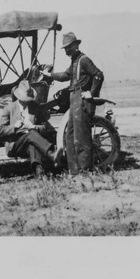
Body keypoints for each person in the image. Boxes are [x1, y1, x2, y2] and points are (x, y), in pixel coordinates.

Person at [42, 32, 104, 175]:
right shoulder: (75, 61)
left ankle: (85, 171)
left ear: (76, 45)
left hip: (81, 99)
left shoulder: (84, 60)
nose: (67, 51)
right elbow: (65, 76)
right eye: (65, 48)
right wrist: (49, 75)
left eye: (69, 47)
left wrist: (92, 94)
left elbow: (98, 75)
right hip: (73, 98)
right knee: (70, 136)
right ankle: (74, 171)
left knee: (81, 137)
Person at [0, 80, 60, 176]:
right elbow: (1, 131)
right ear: (19, 97)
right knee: (31, 135)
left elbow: (46, 127)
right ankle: (50, 154)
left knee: (32, 141)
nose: (26, 102)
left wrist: (34, 126)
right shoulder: (9, 108)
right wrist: (14, 127)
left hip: (32, 141)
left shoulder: (35, 107)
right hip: (15, 144)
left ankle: (39, 171)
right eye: (24, 100)